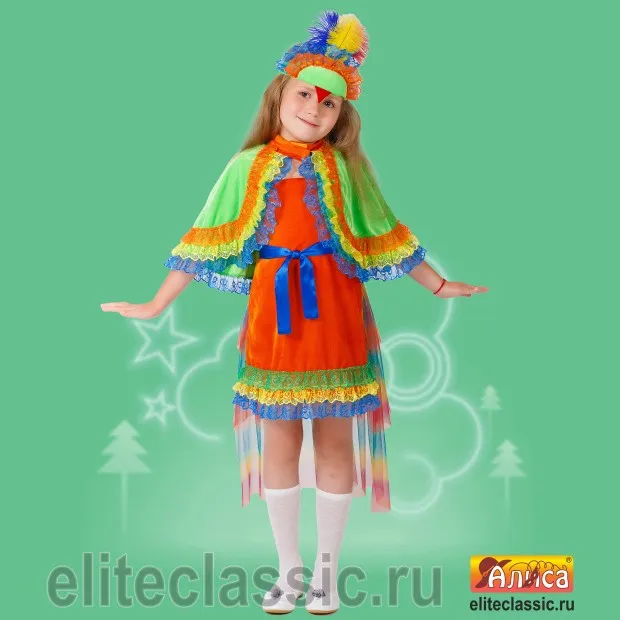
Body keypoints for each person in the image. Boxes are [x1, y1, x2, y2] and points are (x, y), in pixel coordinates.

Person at [101, 10, 488, 615]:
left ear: (341, 116)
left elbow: (384, 231)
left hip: (336, 312)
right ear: (280, 96)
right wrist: (156, 304)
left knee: (334, 442)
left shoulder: (346, 170)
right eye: (305, 94)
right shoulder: (246, 167)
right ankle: (289, 571)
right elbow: (205, 238)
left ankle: (327, 574)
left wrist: (436, 285)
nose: (315, 108)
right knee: (279, 443)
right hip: (274, 318)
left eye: (329, 103)